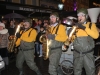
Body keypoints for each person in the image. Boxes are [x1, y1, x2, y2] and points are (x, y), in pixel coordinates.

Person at [72, 8, 99, 75]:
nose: (80, 17)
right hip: (77, 54)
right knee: (76, 72)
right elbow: (72, 39)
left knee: (90, 72)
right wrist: (70, 33)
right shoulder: (75, 26)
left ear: (86, 16)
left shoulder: (91, 25)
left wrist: (84, 28)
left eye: (82, 15)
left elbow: (96, 36)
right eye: (78, 15)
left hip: (88, 54)